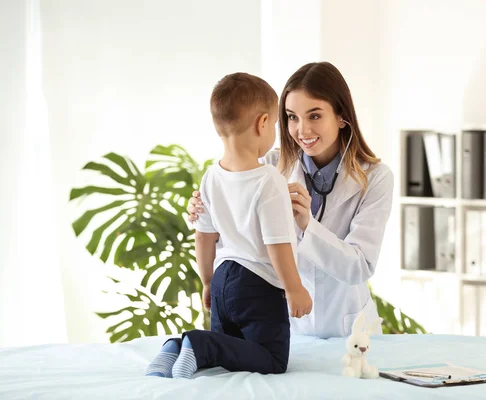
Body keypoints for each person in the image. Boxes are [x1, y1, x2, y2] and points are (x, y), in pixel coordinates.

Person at [188, 62, 394, 339]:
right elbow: (239, 242)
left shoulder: (376, 178)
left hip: (348, 331)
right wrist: (203, 210)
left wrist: (307, 226)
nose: (302, 130)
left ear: (342, 116)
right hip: (286, 325)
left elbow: (359, 267)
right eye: (292, 117)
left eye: (315, 116)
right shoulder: (268, 167)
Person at [145, 72, 312, 379]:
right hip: (258, 286)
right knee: (273, 360)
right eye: (275, 124)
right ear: (262, 124)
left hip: (223, 281)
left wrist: (207, 282)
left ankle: (175, 346)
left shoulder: (211, 176)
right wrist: (294, 288)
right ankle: (197, 344)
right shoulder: (269, 180)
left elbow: (204, 236)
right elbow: (276, 243)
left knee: (231, 350)